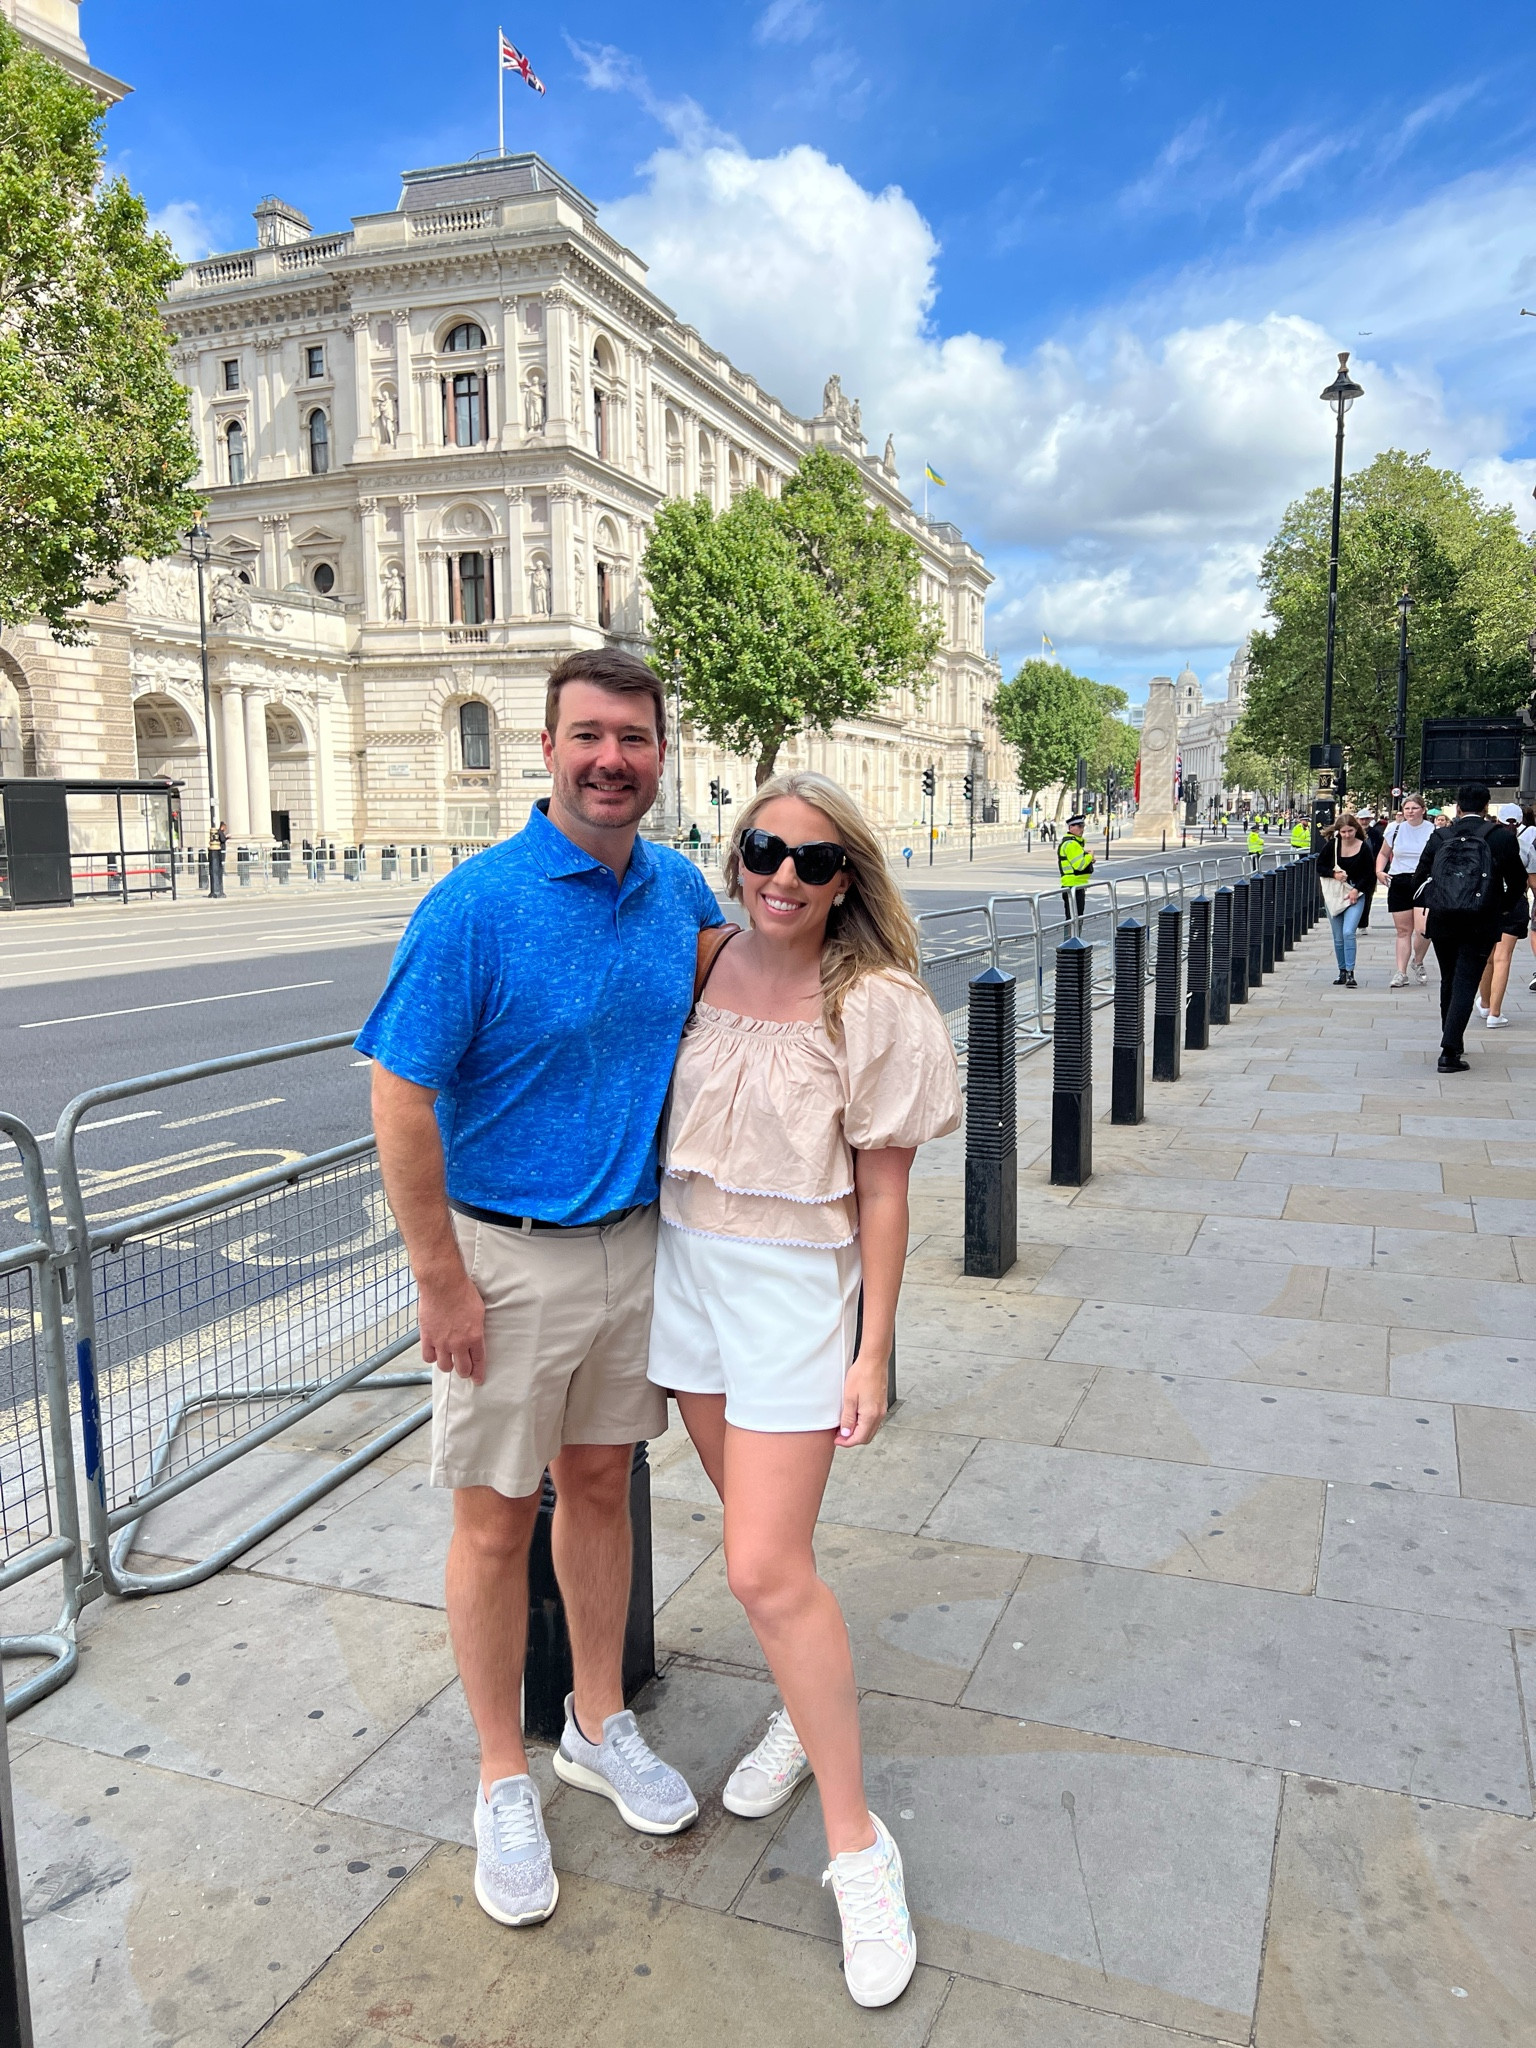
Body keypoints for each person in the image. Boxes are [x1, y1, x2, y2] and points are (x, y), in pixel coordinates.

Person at [357, 647, 724, 1931]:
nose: (610, 757)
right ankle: (500, 1774)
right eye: (587, 735)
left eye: (633, 736)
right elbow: (399, 1091)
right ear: (549, 748)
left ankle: (597, 1722)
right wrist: (440, 1277)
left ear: (660, 754)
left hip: (633, 1246)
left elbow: (762, 977)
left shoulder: (675, 886)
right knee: (497, 1520)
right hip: (504, 1260)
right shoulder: (478, 903)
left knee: (604, 1486)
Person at [647, 771, 960, 2009]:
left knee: (763, 1567)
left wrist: (874, 1346)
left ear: (848, 881)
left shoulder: (872, 1001)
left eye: (812, 861)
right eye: (761, 847)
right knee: (760, 1547)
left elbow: (884, 1191)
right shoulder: (703, 958)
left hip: (792, 1291)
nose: (781, 873)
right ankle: (796, 1704)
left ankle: (856, 1846)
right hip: (685, 1274)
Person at [1409, 782, 1528, 1072]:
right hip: (1481, 920)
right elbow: (1517, 882)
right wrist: (1499, 908)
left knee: (1449, 979)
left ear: (1458, 807)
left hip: (1444, 919)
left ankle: (1451, 1039)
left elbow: (1419, 879)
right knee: (1466, 981)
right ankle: (1450, 1051)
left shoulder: (1441, 836)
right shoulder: (1500, 837)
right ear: (1487, 807)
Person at [1474, 802, 1535, 1028]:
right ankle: (1495, 1014)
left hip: (1487, 903)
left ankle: (1486, 1003)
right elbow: (1533, 883)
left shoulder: (1486, 844)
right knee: (1503, 958)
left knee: (1486, 957)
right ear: (1521, 823)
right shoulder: (1525, 847)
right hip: (1514, 903)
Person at [1377, 795, 1434, 988]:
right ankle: (1401, 973)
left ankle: (1417, 961)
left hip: (1423, 881)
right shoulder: (1395, 828)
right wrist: (1379, 871)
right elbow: (1384, 853)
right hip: (1399, 879)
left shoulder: (1433, 830)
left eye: (1415, 808)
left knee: (1423, 929)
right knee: (1403, 931)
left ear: (1423, 810)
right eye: (1407, 808)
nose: (1410, 812)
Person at [1324, 810, 1375, 986]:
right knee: (1338, 936)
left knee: (1348, 932)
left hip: (1355, 894)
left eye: (1350, 831)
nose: (1346, 835)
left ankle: (1351, 972)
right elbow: (1320, 866)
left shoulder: (1364, 847)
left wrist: (1357, 889)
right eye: (1343, 832)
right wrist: (1333, 874)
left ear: (1356, 830)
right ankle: (1342, 971)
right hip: (1335, 894)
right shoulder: (1332, 845)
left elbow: (1370, 874)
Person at [1057, 813, 1093, 927]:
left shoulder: (1075, 843)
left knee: (1075, 919)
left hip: (1076, 885)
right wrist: (1090, 856)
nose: (1082, 829)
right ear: (1071, 827)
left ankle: (1074, 942)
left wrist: (1088, 858)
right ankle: (1071, 943)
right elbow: (1080, 865)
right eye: (1079, 826)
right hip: (1073, 886)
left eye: (1082, 826)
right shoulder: (1071, 844)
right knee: (1073, 920)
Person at [206, 819, 228, 898]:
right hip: (219, 851)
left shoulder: (219, 832)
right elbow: (222, 839)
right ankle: (216, 890)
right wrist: (227, 838)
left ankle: (216, 890)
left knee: (219, 864)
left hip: (219, 851)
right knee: (219, 864)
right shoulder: (220, 832)